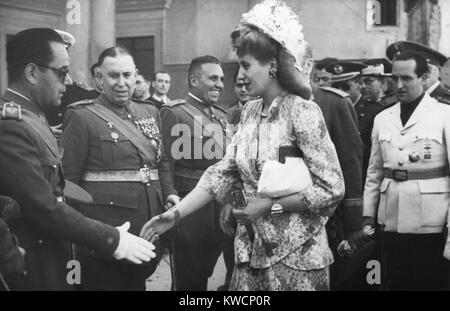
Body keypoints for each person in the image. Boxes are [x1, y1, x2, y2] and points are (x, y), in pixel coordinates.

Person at [142, 0, 345, 291]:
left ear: (273, 66)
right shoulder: (249, 112)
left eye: (246, 65)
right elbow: (222, 173)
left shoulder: (302, 110)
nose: (240, 75)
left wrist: (270, 206)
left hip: (296, 259)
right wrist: (174, 216)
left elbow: (332, 188)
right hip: (251, 252)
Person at [0, 28, 156, 291]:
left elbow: (60, 189)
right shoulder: (12, 125)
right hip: (30, 262)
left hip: (52, 254)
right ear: (32, 72)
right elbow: (45, 206)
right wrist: (110, 239)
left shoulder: (34, 117)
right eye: (62, 72)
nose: (70, 81)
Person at [60, 46, 178, 291]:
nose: (121, 83)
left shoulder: (150, 111)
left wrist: (169, 193)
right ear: (100, 79)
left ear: (136, 75)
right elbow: (68, 182)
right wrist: (77, 238)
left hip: (149, 225)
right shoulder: (82, 116)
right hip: (108, 232)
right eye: (114, 76)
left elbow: (161, 161)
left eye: (127, 75)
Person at [364, 51, 450, 290]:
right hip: (390, 220)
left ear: (423, 78)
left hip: (432, 224)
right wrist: (368, 217)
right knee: (394, 282)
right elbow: (374, 173)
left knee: (429, 283)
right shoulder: (383, 118)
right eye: (395, 78)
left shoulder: (444, 115)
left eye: (407, 78)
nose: (399, 85)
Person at [159, 55, 229, 291]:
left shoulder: (221, 115)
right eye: (213, 78)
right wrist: (170, 198)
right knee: (187, 278)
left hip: (219, 208)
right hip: (190, 207)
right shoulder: (175, 113)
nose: (220, 83)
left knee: (206, 272)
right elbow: (166, 162)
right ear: (193, 79)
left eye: (221, 78)